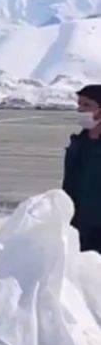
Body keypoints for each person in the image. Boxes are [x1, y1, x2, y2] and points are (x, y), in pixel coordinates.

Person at [63, 84, 101, 253]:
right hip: (78, 226)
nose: (80, 110)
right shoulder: (78, 144)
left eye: (87, 105)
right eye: (79, 104)